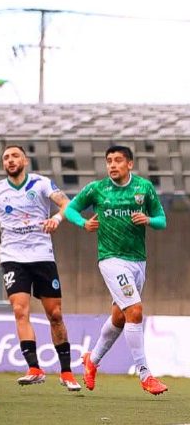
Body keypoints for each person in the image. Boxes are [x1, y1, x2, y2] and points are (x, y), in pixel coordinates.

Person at [0, 145, 80, 390]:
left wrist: (57, 219)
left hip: (42, 256)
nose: (10, 160)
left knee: (55, 315)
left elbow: (67, 204)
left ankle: (66, 372)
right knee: (20, 310)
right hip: (13, 258)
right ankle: (34, 368)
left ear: (25, 161)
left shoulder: (41, 184)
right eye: (6, 157)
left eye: (15, 156)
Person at [65, 145, 168, 395]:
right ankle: (145, 374)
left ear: (129, 164)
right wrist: (83, 223)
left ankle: (93, 360)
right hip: (110, 259)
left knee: (120, 317)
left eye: (118, 160)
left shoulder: (144, 188)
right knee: (135, 310)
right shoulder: (96, 189)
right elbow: (70, 209)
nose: (112, 165)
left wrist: (148, 220)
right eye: (109, 160)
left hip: (138, 260)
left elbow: (162, 220)